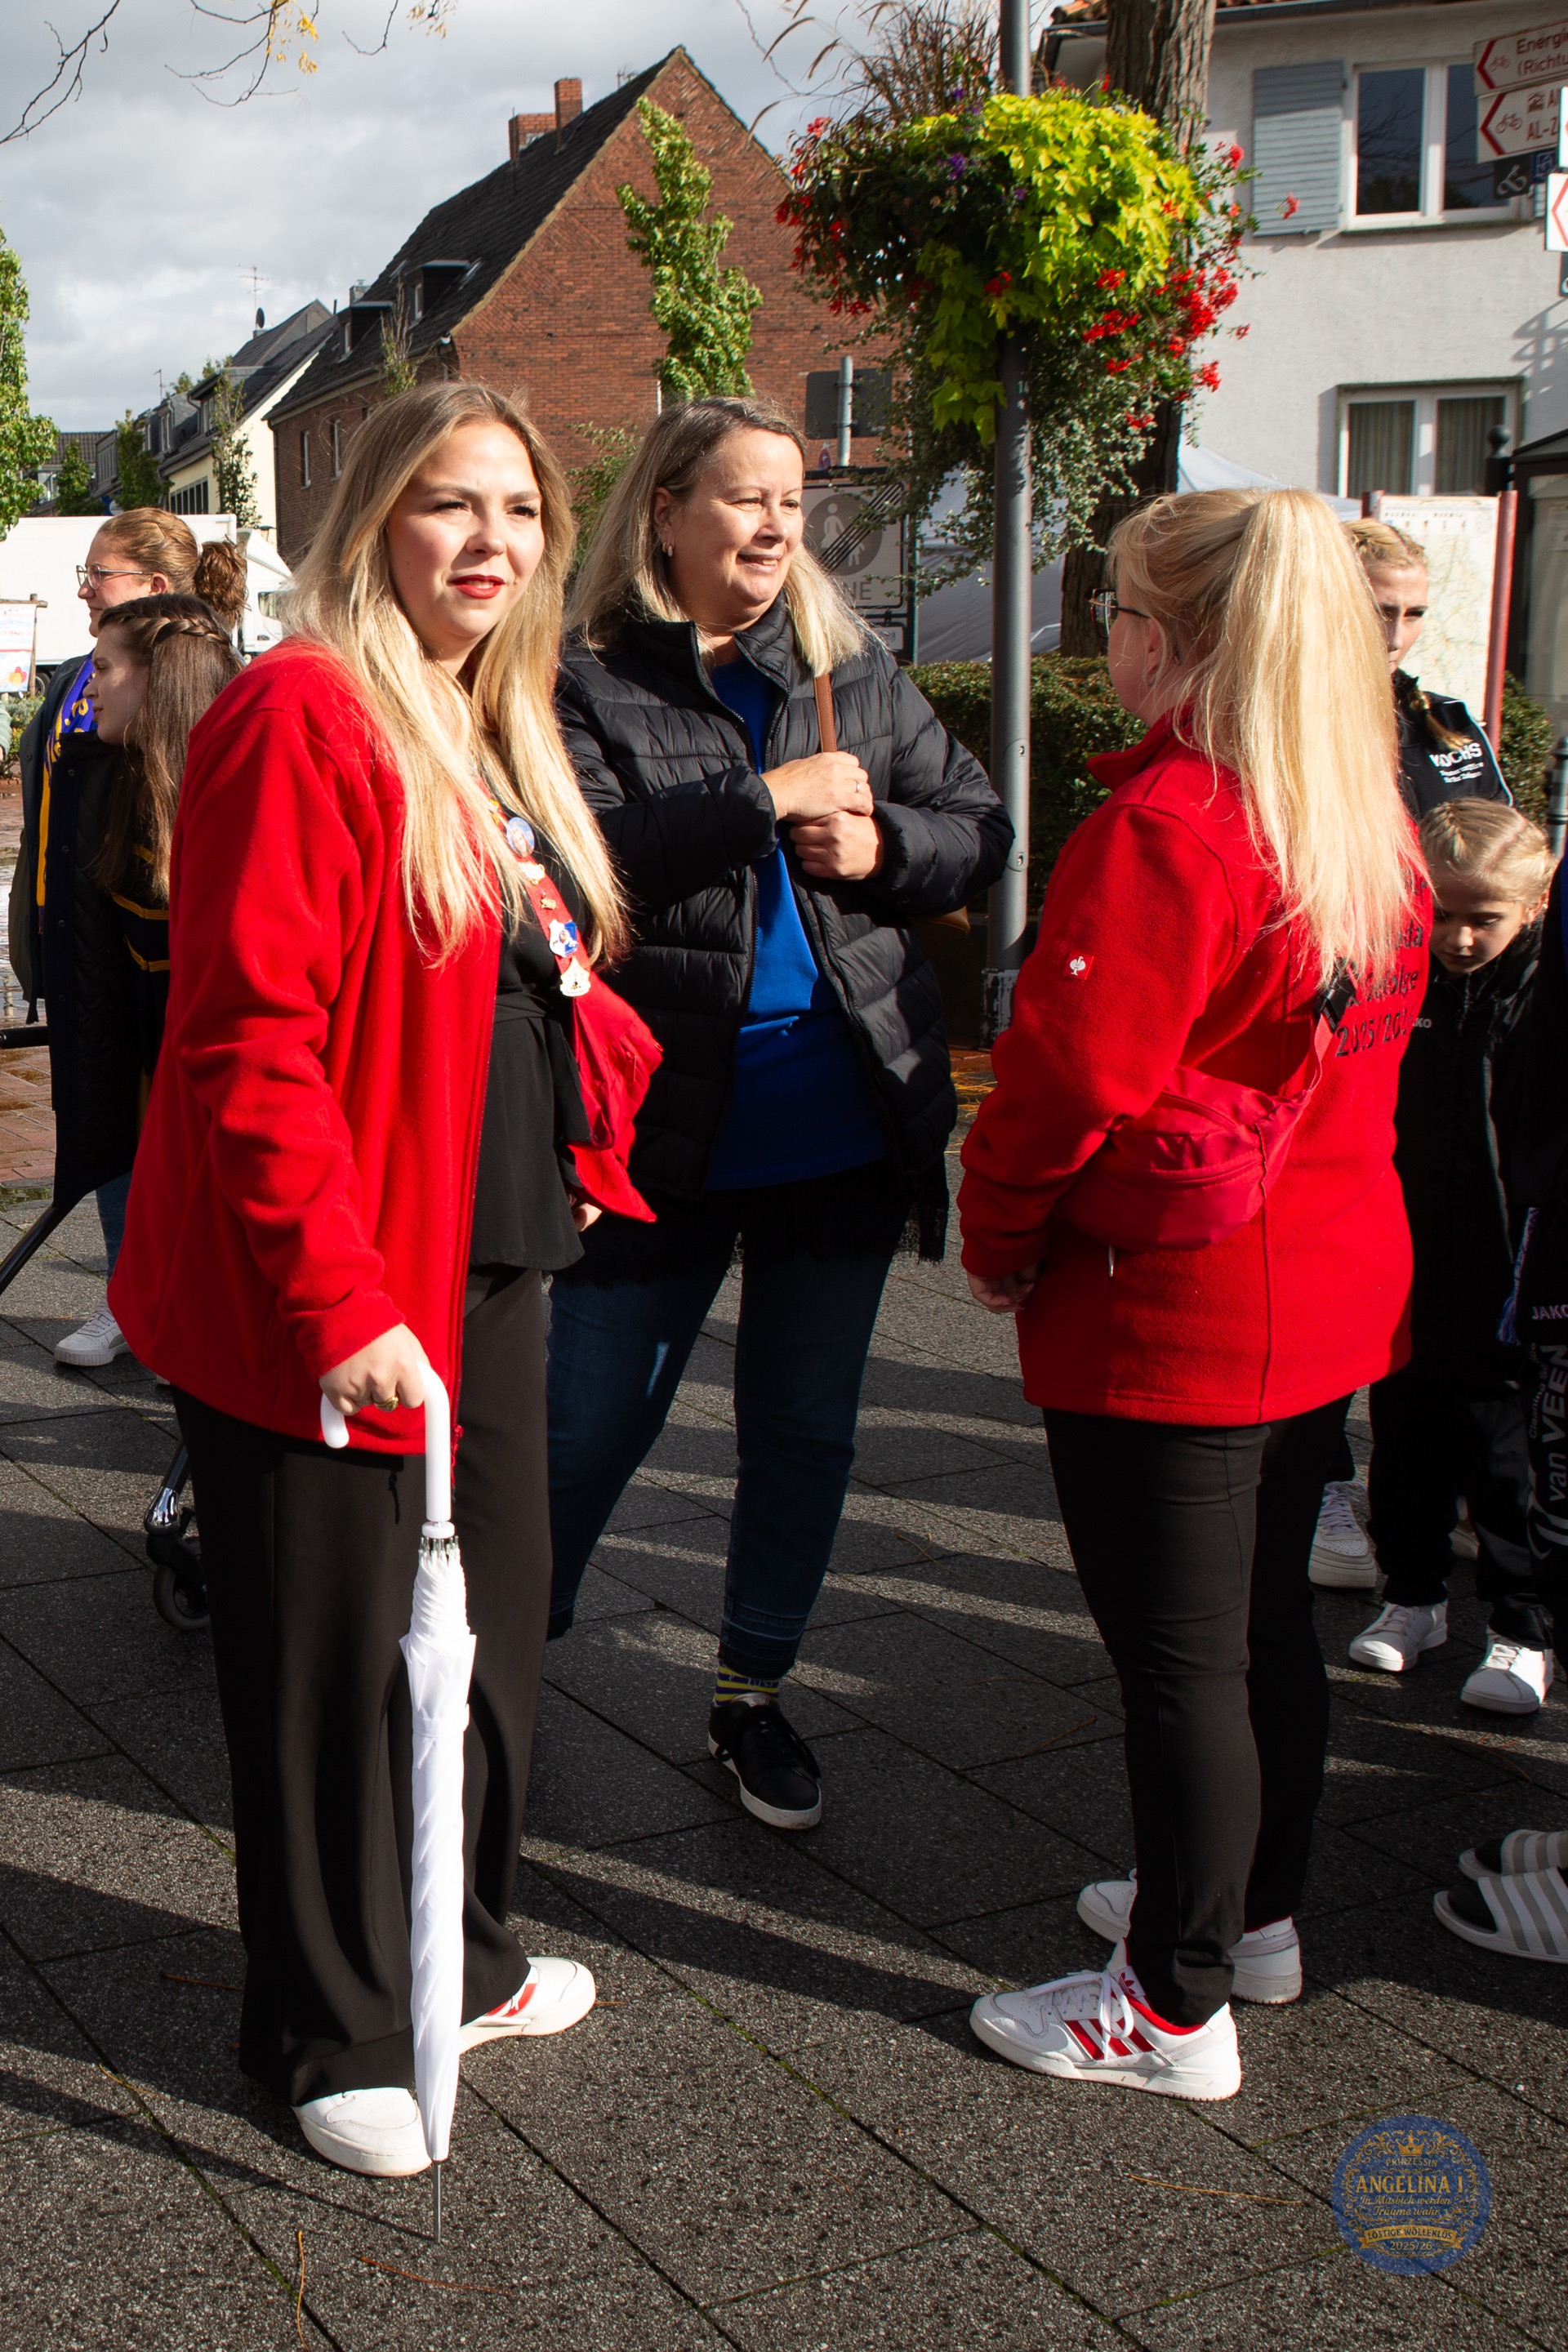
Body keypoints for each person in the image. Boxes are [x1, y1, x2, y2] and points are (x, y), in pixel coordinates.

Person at [108, 382, 624, 2179]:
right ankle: (327, 2024)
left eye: (522, 510)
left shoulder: (484, 716)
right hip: (324, 1289)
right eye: (449, 504)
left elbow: (529, 977)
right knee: (333, 1671)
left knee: (489, 1648)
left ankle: (456, 1960)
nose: (493, 541)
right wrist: (338, 1304)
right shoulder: (302, 711)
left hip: (485, 1260)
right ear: (373, 523)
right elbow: (245, 1039)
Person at [958, 488, 1424, 2100]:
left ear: (1170, 639)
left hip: (1185, 1305)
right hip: (1324, 1274)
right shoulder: (1348, 796)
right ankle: (1244, 1914)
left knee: (1180, 1665)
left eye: (1118, 616)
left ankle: (1170, 2002)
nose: (1108, 642)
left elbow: (1063, 1079)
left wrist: (996, 1232)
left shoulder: (1176, 824)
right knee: (1261, 1629)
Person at [548, 394, 1010, 1832]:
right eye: (745, 497)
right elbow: (579, 864)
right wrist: (765, 799)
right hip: (664, 1133)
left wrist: (882, 845)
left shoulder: (848, 665)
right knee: (582, 1433)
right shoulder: (583, 678)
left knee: (804, 1436)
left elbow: (980, 832)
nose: (773, 525)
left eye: (791, 502)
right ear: (666, 510)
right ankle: (493, 1663)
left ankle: (751, 1691)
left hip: (839, 1128)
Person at [1310, 517, 1511, 1588]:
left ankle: (1441, 1473)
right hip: (1337, 1027)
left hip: (1443, 1027)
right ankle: (1321, 1479)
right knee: (1332, 1257)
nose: (1398, 629)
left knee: (1433, 1264)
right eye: (1380, 608)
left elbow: (1497, 855)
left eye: (1415, 610)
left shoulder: (1444, 726)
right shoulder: (1299, 722)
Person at [11, 511, 247, 1368]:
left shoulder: (209, 696)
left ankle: (184, 1305)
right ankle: (130, 1291)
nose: (83, 589)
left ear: (154, 585)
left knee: (178, 1131)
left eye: (98, 572)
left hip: (156, 955)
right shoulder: (78, 678)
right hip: (84, 940)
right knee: (109, 1117)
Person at [1348, 801, 1554, 1712]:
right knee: (1405, 1441)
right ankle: (1413, 1596)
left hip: (1513, 1268)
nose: (1459, 938)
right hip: (1406, 1255)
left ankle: (1521, 1629)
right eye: (1442, 914)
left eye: (1484, 918)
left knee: (1510, 1460)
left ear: (1535, 907)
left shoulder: (1544, 994)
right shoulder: (1400, 981)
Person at [84, 594, 243, 1091]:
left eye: (103, 669)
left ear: (159, 677)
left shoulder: (233, 804)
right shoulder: (124, 783)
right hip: (152, 1085)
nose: (88, 688)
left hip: (206, 1090)